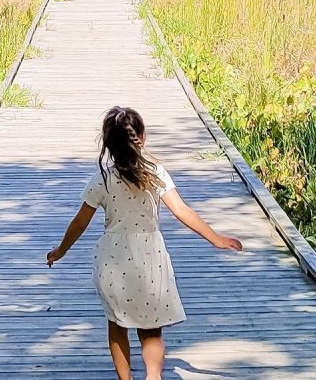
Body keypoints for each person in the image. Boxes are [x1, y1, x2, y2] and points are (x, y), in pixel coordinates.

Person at [47, 106, 243, 380]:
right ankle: (153, 375)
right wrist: (216, 239)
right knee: (151, 328)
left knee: (117, 324)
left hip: (113, 261)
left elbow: (80, 222)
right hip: (150, 259)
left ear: (108, 144)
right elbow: (182, 210)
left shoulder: (102, 180)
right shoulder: (156, 173)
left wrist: (61, 250)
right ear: (142, 137)